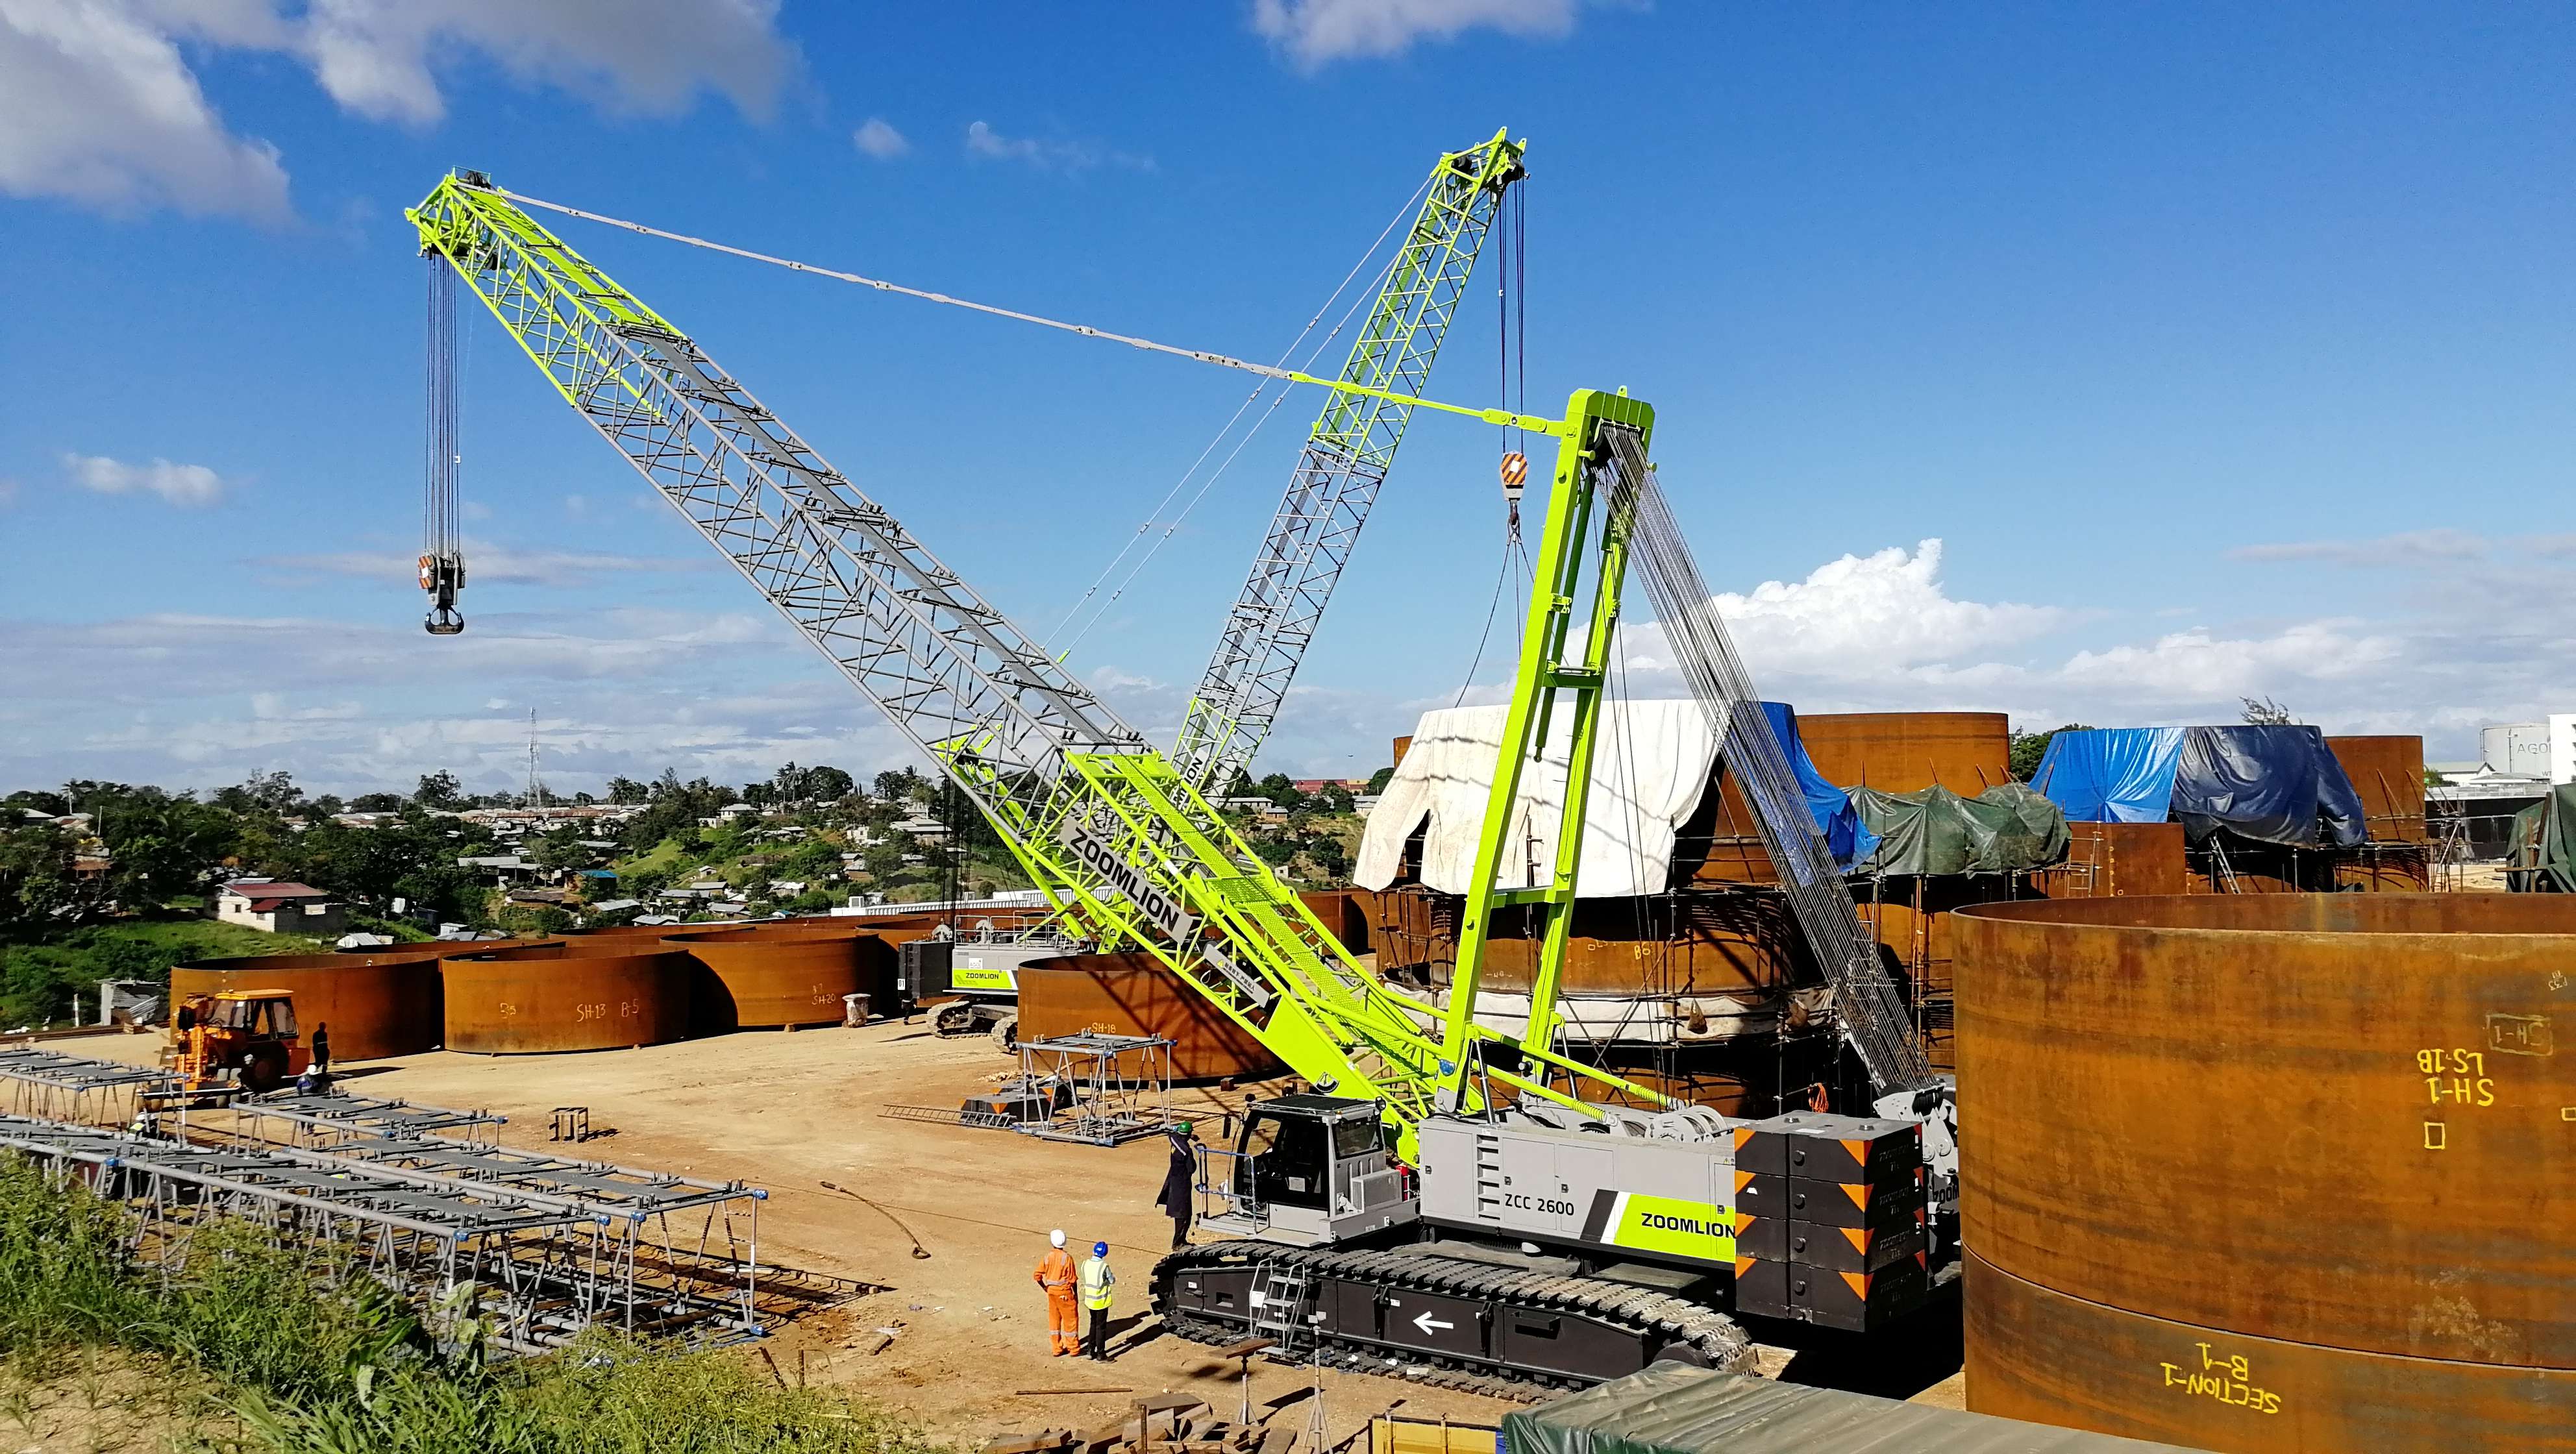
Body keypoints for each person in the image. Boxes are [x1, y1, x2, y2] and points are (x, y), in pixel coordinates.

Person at [1034, 1229, 1079, 1356]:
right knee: (1071, 1321)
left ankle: (1057, 1348)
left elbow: (1037, 1276)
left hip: (1052, 1293)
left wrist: (1045, 1288)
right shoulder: (1067, 1258)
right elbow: (1073, 1280)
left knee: (1054, 1320)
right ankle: (1073, 1348)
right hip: (1065, 1293)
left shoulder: (1048, 1257)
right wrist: (1075, 1295)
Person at [1156, 1120, 1196, 1250]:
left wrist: (1190, 1137)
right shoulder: (1186, 1151)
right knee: (1184, 1215)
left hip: (1173, 1180)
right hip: (1182, 1185)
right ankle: (1178, 1243)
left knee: (1181, 1214)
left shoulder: (1174, 1140)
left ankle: (1180, 1241)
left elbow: (1173, 1133)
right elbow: (1192, 1168)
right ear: (1188, 1134)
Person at [1077, 1240, 1116, 1361]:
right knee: (1101, 1327)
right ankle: (1101, 1354)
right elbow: (1112, 1280)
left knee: (1093, 1324)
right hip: (1101, 1301)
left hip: (1090, 1300)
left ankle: (1090, 1350)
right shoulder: (1104, 1266)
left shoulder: (1085, 1264)